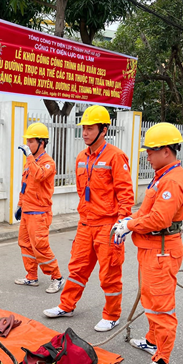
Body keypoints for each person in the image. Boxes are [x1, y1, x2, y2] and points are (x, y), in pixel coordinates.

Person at [44, 105, 135, 330]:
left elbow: (125, 193)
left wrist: (123, 222)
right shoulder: (81, 157)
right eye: (83, 128)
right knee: (77, 268)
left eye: (90, 128)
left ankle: (112, 315)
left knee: (109, 273)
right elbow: (80, 188)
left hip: (108, 225)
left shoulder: (115, 156)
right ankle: (66, 305)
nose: (85, 132)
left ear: (104, 129)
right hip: (86, 223)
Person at [113, 122, 183, 364]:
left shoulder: (172, 180)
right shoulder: (161, 176)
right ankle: (151, 341)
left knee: (161, 307)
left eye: (151, 150)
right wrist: (128, 221)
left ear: (166, 151)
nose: (147, 155)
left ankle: (162, 361)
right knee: (150, 300)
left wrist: (130, 225)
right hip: (151, 249)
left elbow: (158, 219)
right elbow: (146, 211)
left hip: (162, 251)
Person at [14, 122, 65, 294]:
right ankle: (31, 276)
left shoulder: (48, 162)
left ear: (41, 143)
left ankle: (57, 277)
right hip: (27, 210)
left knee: (40, 246)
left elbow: (39, 175)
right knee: (25, 244)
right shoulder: (30, 162)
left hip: (40, 212)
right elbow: (25, 185)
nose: (28, 145)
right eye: (27, 142)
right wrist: (20, 205)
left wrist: (29, 156)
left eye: (31, 142)